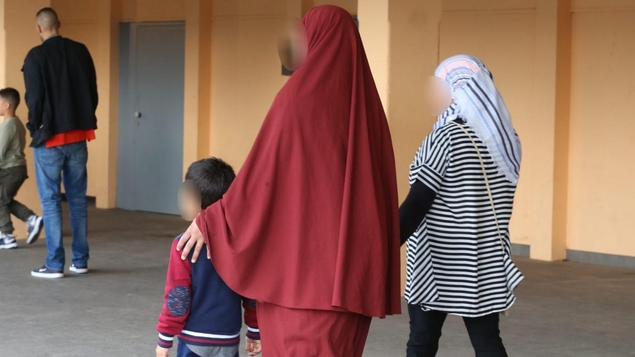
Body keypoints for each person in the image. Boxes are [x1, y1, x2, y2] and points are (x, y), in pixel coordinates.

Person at [176, 5, 401, 357]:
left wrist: (214, 218)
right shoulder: (368, 112)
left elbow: (261, 178)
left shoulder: (296, 101)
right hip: (349, 282)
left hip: (297, 283)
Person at [399, 54, 524, 357]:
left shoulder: (445, 138)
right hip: (482, 260)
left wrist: (376, 247)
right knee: (487, 342)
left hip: (437, 263)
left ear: (456, 91)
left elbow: (417, 203)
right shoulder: (505, 141)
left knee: (421, 343)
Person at [156, 158, 261, 357]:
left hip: (193, 339)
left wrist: (165, 337)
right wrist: (254, 331)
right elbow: (250, 291)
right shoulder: (238, 243)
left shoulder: (182, 245)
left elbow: (178, 295)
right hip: (229, 338)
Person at [22, 7, 98, 279]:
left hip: (49, 139)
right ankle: (80, 261)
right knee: (77, 201)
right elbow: (93, 91)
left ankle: (54, 264)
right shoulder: (80, 51)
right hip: (79, 137)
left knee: (51, 201)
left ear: (39, 28)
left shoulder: (36, 56)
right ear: (59, 24)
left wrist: (35, 127)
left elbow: (34, 99)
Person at [0, 88, 43, 250]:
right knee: (5, 200)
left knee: (0, 200)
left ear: (7, 105)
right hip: (16, 169)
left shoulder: (7, 125)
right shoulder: (17, 123)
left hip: (10, 169)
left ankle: (7, 236)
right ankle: (31, 219)